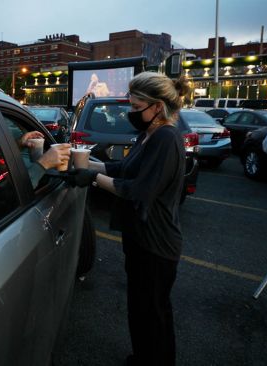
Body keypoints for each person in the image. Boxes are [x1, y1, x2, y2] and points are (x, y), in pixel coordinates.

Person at [68, 72, 190, 365]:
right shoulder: (147, 135)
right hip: (139, 235)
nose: (132, 113)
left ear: (157, 107)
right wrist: (83, 162)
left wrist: (93, 177)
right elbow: (123, 168)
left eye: (137, 108)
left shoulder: (166, 138)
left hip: (156, 242)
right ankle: (143, 356)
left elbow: (138, 191)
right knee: (140, 307)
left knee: (154, 311)